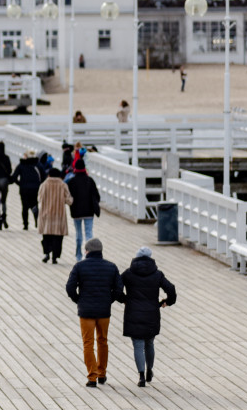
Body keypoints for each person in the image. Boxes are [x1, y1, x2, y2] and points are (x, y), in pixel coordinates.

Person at [65, 238, 123, 387]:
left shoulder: (79, 267)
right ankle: (102, 374)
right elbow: (118, 290)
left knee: (88, 343)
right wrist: (108, 301)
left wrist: (79, 300)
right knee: (103, 341)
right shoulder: (111, 267)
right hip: (104, 312)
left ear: (86, 251)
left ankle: (92, 376)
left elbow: (70, 287)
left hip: (86, 312)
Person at [118, 246, 177, 387]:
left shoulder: (128, 274)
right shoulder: (157, 274)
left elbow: (115, 289)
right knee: (149, 343)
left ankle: (141, 376)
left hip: (133, 313)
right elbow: (171, 289)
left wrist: (124, 299)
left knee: (138, 345)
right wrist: (167, 302)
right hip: (152, 313)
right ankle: (150, 369)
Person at [67, 159, 101, 261]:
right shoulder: (90, 180)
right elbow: (97, 196)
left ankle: (78, 256)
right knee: (89, 234)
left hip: (76, 212)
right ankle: (89, 255)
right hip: (89, 212)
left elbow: (69, 197)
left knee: (78, 235)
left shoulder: (72, 181)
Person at [37, 168, 72, 264]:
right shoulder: (63, 185)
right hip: (59, 215)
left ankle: (47, 253)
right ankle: (55, 257)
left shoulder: (44, 185)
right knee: (58, 238)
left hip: (46, 215)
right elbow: (69, 200)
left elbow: (39, 198)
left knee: (47, 236)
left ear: (49, 175)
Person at [11, 150, 42, 230]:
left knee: (24, 207)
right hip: (35, 188)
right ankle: (37, 221)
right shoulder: (37, 164)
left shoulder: (21, 165)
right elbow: (44, 176)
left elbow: (14, 177)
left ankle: (25, 225)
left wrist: (20, 184)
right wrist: (39, 184)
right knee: (35, 205)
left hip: (24, 189)